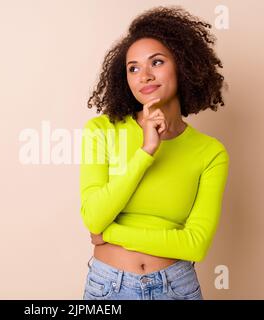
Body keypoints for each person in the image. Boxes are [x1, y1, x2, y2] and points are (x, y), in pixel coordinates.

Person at [79, 6, 230, 300]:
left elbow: (194, 244)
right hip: (108, 288)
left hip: (177, 288)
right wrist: (146, 151)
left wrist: (111, 235)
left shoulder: (210, 152)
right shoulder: (102, 130)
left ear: (183, 66)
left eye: (156, 62)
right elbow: (94, 218)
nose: (144, 76)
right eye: (133, 68)